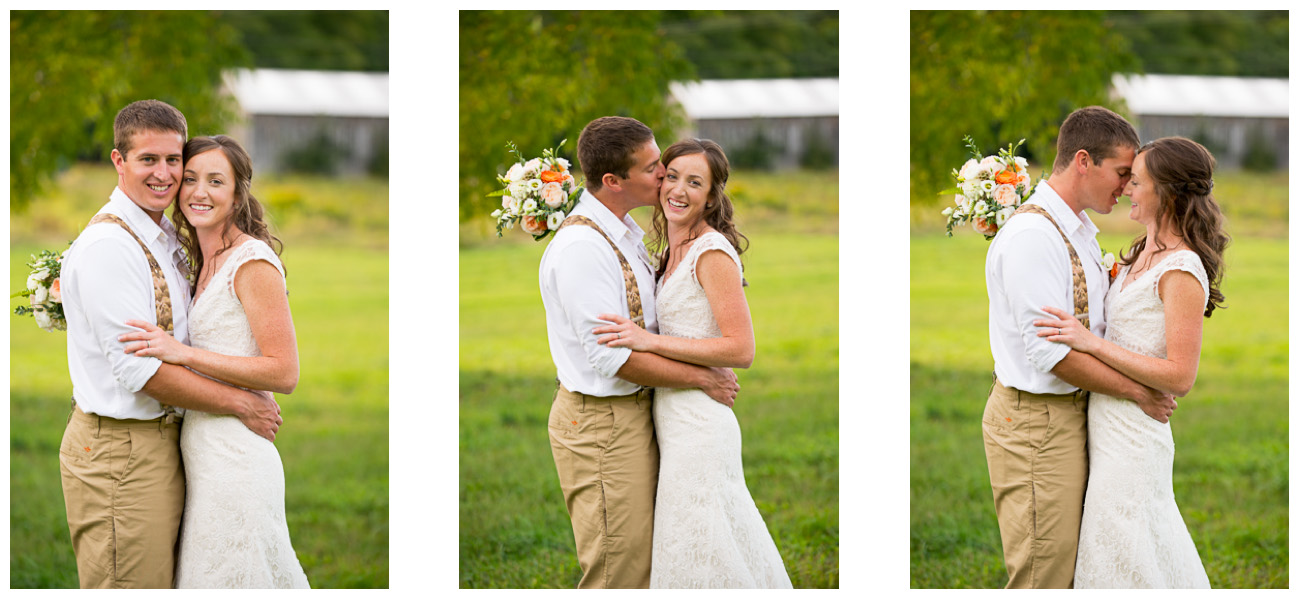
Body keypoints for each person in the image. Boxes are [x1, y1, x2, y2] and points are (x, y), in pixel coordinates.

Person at [59, 100, 282, 589]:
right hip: (121, 448)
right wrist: (240, 403)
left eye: (173, 160)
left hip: (174, 444)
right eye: (148, 160)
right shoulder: (109, 248)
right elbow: (141, 372)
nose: (164, 174)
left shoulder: (163, 235)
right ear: (119, 162)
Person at [980, 106, 1178, 589]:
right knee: (1043, 575)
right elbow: (1052, 354)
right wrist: (1138, 391)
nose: (1128, 187)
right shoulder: (1033, 236)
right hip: (1036, 424)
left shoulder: (1076, 231)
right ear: (1084, 161)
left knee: (1078, 572)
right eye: (1122, 174)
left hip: (1075, 420)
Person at [539, 116, 740, 589]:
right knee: (618, 569)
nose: (664, 175)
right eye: (654, 168)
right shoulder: (583, 249)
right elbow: (613, 357)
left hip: (642, 415)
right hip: (600, 423)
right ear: (613, 181)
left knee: (653, 559)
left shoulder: (626, 232)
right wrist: (703, 377)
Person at [593, 138, 792, 588]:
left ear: (711, 195)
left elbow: (741, 349)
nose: (678, 190)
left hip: (701, 428)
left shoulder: (712, 251)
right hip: (673, 418)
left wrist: (648, 341)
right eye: (672, 176)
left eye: (695, 182)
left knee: (701, 547)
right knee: (693, 543)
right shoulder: (666, 252)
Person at [116, 135, 309, 588]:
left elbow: (284, 371)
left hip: (237, 460)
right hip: (201, 454)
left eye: (215, 181)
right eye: (190, 179)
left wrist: (182, 354)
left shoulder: (251, 263)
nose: (199, 192)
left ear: (238, 193)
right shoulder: (195, 261)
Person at [1033, 136, 1225, 588]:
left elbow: (1180, 376)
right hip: (1107, 424)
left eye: (1136, 181)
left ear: (1168, 193)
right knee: (1113, 547)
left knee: (1127, 550)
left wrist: (1091, 345)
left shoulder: (1180, 269)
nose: (1126, 190)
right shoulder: (1142, 252)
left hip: (1135, 439)